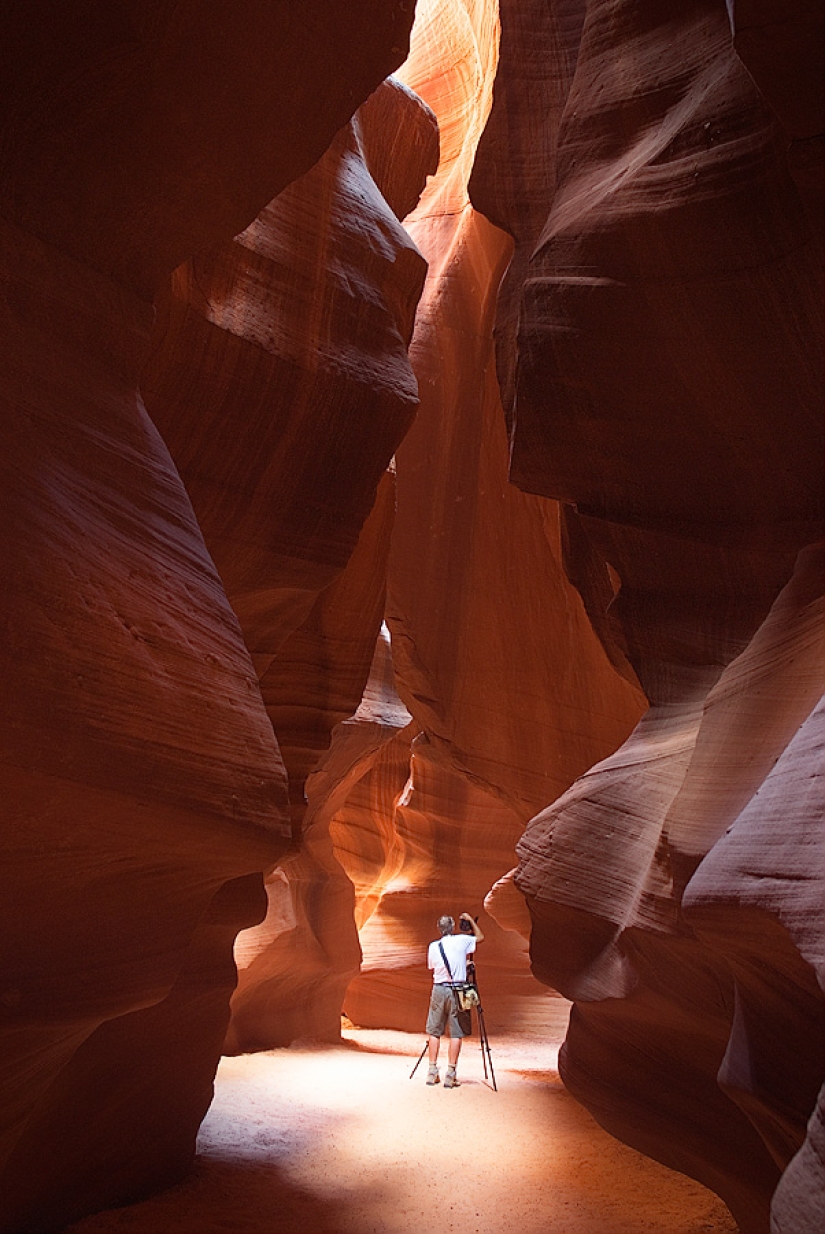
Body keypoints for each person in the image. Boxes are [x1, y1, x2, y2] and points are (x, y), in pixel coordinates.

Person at [424, 911, 484, 1088]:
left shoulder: (433, 946)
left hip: (439, 989)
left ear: (439, 929)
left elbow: (432, 967)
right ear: (453, 928)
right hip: (459, 989)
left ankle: (432, 1071)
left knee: (434, 1030)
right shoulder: (462, 940)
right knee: (457, 1032)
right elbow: (480, 937)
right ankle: (451, 1074)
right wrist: (471, 921)